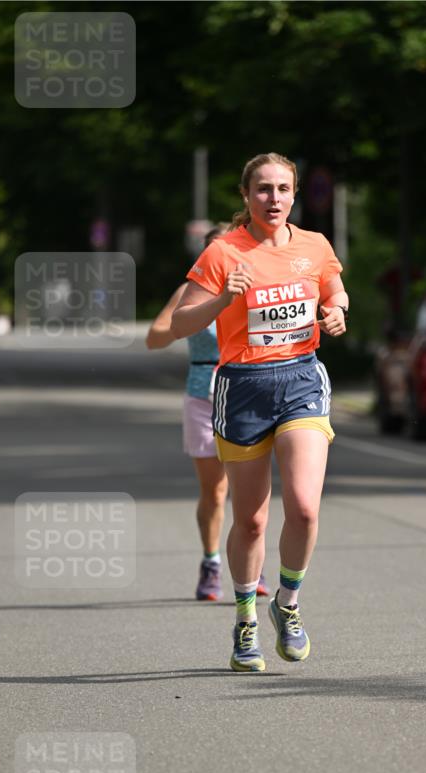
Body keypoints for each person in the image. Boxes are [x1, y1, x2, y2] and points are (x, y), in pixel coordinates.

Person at [170, 152, 348, 673]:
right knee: (250, 520)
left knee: (306, 507)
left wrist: (336, 309)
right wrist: (222, 299)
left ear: (295, 194)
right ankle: (245, 618)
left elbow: (333, 287)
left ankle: (287, 605)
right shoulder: (224, 253)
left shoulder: (314, 245)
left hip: (300, 379)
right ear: (246, 197)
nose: (274, 198)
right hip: (242, 387)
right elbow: (182, 323)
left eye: (283, 188)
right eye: (264, 189)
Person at [145, 224, 269, 602]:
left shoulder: (258, 285)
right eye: (216, 251)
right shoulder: (189, 291)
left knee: (250, 491)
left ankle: (250, 562)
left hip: (247, 391)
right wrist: (186, 324)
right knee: (215, 492)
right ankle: (212, 561)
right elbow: (155, 337)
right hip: (204, 393)